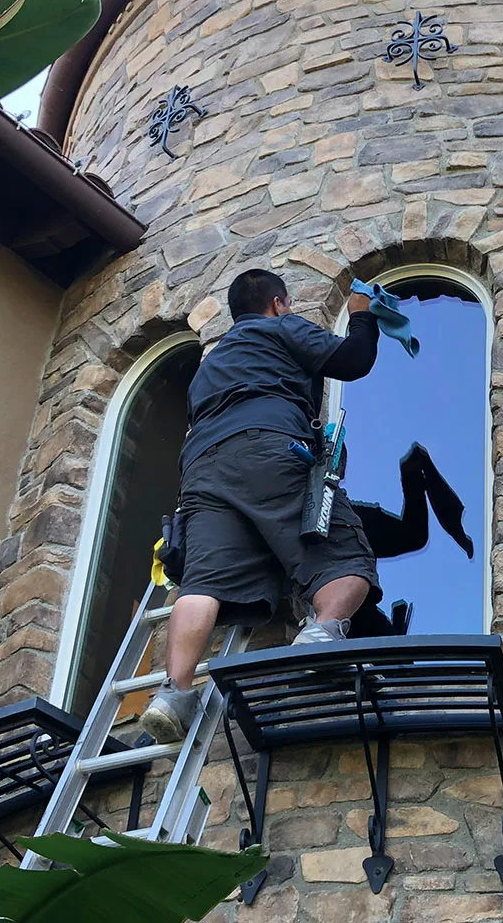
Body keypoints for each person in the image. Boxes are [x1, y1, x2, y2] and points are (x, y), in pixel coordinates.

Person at [141, 269, 381, 744]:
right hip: (268, 447)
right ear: (277, 303)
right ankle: (320, 636)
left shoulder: (208, 366)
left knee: (202, 581)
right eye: (286, 305)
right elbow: (354, 362)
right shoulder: (279, 328)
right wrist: (361, 317)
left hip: (203, 471)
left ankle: (173, 694)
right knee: (345, 556)